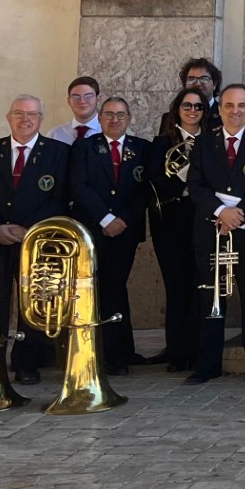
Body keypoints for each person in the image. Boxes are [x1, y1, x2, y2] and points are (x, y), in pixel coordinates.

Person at [0, 94, 72, 384]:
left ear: (41, 119)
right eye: (19, 114)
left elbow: (61, 197)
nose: (26, 120)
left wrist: (29, 229)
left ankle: (27, 363)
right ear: (8, 117)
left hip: (35, 242)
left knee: (32, 302)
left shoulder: (57, 152)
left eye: (33, 115)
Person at [187, 84, 245, 385]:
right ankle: (207, 365)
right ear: (220, 108)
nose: (235, 111)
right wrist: (219, 212)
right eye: (229, 105)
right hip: (211, 230)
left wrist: (238, 213)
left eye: (241, 105)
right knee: (210, 297)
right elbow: (196, 185)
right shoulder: (203, 144)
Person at [68, 94, 150, 374]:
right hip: (95, 229)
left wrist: (123, 219)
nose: (115, 120)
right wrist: (105, 217)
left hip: (126, 231)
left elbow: (145, 191)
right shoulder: (84, 148)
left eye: (121, 114)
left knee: (117, 286)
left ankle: (123, 350)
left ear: (129, 118)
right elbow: (79, 186)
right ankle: (108, 355)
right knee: (102, 288)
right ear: (100, 118)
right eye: (109, 114)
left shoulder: (142, 148)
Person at [147, 86, 209, 371]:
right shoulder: (161, 144)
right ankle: (177, 351)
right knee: (176, 286)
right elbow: (155, 178)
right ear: (177, 110)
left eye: (198, 107)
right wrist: (185, 187)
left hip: (202, 218)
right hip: (171, 221)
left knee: (200, 284)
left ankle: (200, 350)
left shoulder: (212, 141)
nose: (192, 111)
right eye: (187, 106)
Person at [48, 76, 101, 145]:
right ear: (69, 101)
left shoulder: (110, 133)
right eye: (76, 97)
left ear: (98, 99)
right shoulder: (55, 135)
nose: (82, 101)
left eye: (88, 96)